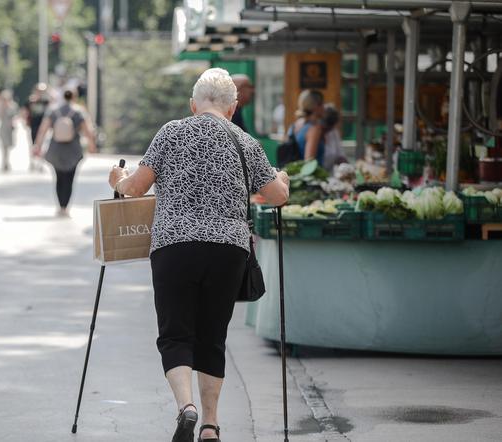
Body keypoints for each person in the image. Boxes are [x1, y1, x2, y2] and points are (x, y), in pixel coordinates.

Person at [107, 68, 289, 442]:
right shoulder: (246, 142)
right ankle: (210, 424)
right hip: (228, 251)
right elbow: (277, 197)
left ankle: (185, 407)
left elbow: (136, 188)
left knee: (175, 333)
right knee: (212, 336)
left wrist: (117, 180)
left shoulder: (170, 132)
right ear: (233, 108)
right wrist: (282, 180)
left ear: (193, 105)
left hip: (174, 246)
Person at [33, 89, 97, 217]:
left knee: (58, 178)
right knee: (69, 179)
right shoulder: (79, 111)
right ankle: (65, 207)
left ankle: (60, 206)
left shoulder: (53, 110)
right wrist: (92, 145)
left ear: (63, 97)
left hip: (56, 149)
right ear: (74, 97)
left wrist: (37, 145)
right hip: (73, 150)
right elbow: (88, 130)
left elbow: (43, 129)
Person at [291, 89, 326, 166]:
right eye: (322, 104)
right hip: (308, 173)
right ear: (316, 106)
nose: (324, 107)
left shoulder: (294, 126)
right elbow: (309, 162)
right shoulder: (314, 129)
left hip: (291, 171)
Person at [23, 83, 51, 172]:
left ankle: (40, 164)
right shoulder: (31, 101)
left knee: (42, 146)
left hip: (43, 127)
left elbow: (52, 106)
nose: (41, 92)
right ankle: (32, 163)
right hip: (33, 126)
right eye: (39, 91)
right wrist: (25, 121)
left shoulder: (46, 101)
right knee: (32, 144)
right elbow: (25, 112)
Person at [0, 89, 18, 172]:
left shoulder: (13, 106)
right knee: (3, 146)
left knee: (9, 145)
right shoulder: (1, 106)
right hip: (3, 127)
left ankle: (6, 161)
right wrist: (3, 107)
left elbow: (15, 116)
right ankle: (5, 162)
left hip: (10, 129)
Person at [321, 104, 346, 172]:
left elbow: (340, 155)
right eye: (326, 127)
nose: (328, 130)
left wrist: (348, 167)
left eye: (330, 127)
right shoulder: (315, 132)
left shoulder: (333, 132)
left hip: (330, 174)